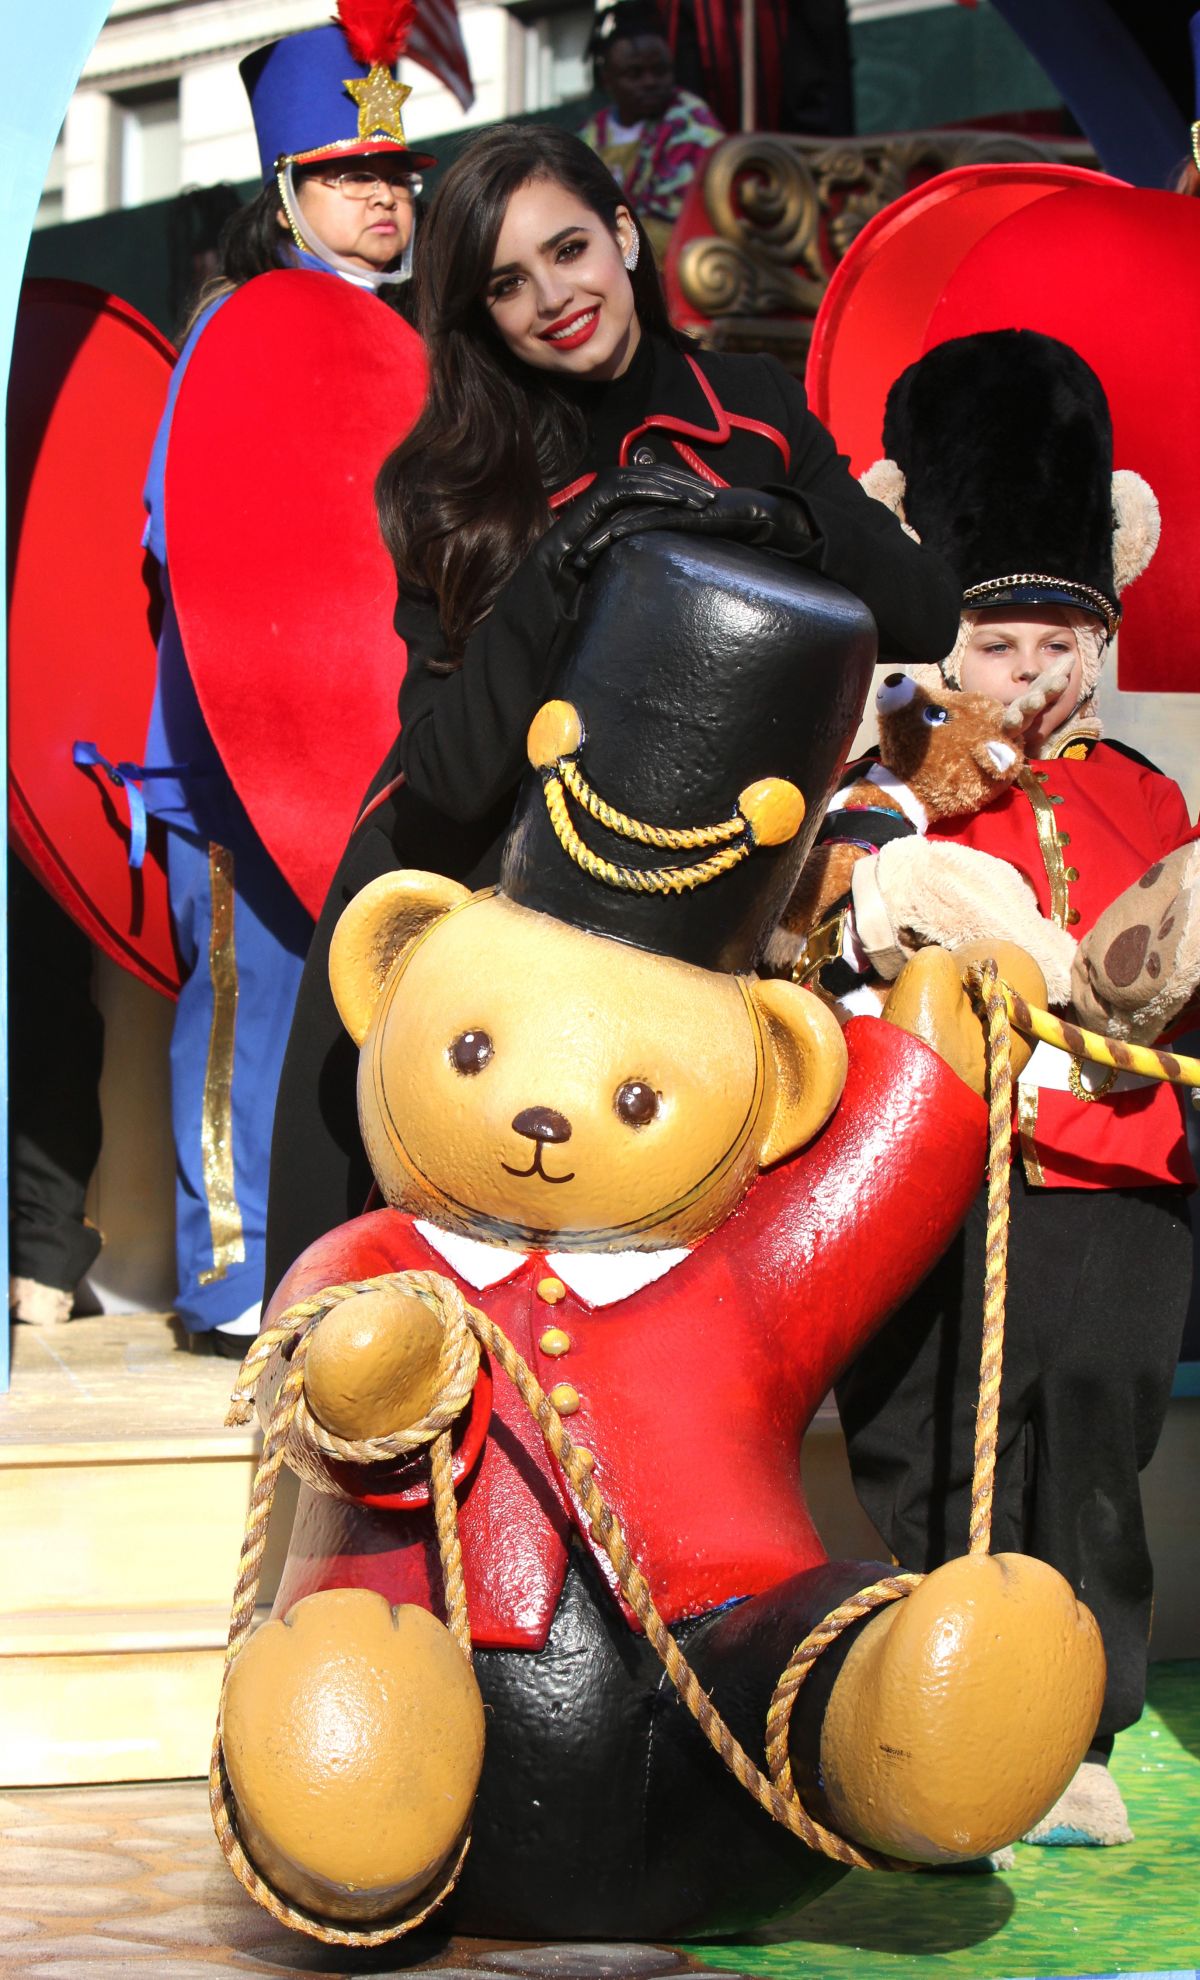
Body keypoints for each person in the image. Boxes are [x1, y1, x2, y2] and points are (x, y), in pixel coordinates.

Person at [263, 120, 962, 1298]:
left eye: (570, 249)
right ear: (480, 316)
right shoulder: (449, 482)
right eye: (506, 284)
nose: (553, 298)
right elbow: (450, 775)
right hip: (482, 902)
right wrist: (561, 566)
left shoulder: (753, 408)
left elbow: (928, 613)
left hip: (694, 916)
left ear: (626, 235)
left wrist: (780, 519)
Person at [827, 330, 1197, 1847]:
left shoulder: (1149, 795)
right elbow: (831, 909)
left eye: (1058, 645)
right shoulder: (892, 766)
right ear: (945, 641)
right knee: (930, 1429)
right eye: (997, 645)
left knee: (1095, 1430)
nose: (1031, 676)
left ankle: (1081, 1716)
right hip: (944, 1153)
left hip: (1121, 1164)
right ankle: (942, 1689)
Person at [145, 8, 433, 1352]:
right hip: (233, 736)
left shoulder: (432, 337)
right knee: (245, 1013)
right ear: (285, 193)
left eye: (394, 173)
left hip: (378, 737)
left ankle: (346, 1261)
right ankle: (229, 1283)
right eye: (345, 173)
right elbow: (183, 534)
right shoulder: (234, 330)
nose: (381, 196)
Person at [579, 2, 724, 260]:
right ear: (607, 79)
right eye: (634, 74)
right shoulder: (590, 134)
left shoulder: (691, 122)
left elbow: (676, 224)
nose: (650, 82)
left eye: (660, 71)